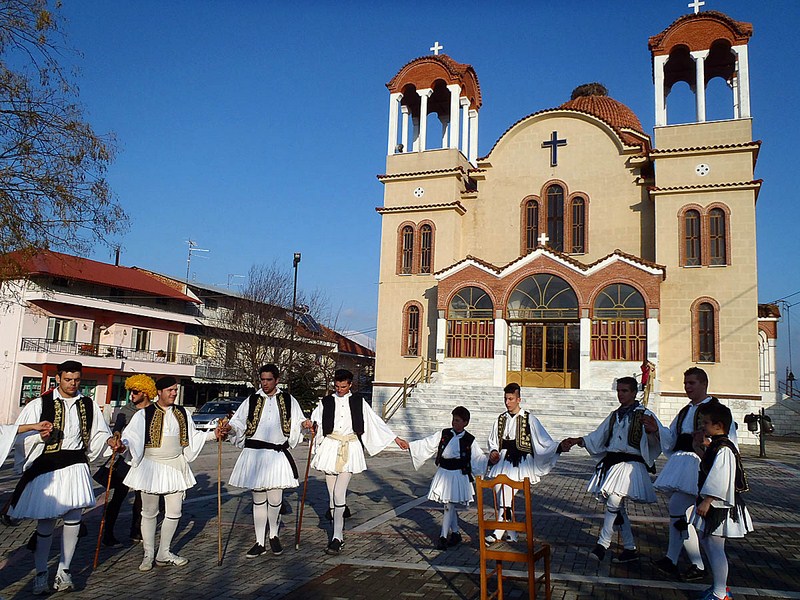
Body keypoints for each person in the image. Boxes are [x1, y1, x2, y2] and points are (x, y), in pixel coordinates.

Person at [7, 360, 123, 595]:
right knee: (47, 520)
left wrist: (110, 442)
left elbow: (99, 433)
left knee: (73, 519)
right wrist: (40, 436)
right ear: (58, 378)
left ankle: (64, 570)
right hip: (48, 465)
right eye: (68, 379)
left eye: (77, 379)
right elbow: (21, 435)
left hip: (76, 465)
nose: (72, 383)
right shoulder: (40, 404)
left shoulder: (88, 404)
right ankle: (41, 572)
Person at [120, 375, 223, 572]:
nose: (174, 393)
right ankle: (148, 553)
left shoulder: (182, 413)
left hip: (176, 465)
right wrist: (120, 446)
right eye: (170, 390)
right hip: (151, 465)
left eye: (175, 390)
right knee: (149, 512)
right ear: (159, 392)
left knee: (175, 511)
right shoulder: (144, 414)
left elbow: (193, 437)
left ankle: (164, 552)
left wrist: (214, 434)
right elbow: (131, 438)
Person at [302, 369, 409, 555]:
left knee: (338, 492)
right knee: (331, 495)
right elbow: (315, 421)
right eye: (336, 386)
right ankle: (336, 516)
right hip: (330, 446)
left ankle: (337, 537)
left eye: (343, 386)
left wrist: (395, 438)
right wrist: (309, 425)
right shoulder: (325, 402)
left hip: (349, 447)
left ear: (350, 384)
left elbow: (375, 422)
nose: (340, 389)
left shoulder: (359, 402)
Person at [650, 367, 738, 582]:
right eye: (686, 383)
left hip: (701, 465)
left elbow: (729, 440)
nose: (687, 387)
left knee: (680, 510)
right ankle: (693, 564)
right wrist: (655, 429)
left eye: (692, 383)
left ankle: (678, 561)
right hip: (684, 464)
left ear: (704, 384)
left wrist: (708, 447)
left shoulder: (716, 411)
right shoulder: (685, 411)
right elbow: (671, 437)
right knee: (681, 512)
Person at [561, 376, 662, 563]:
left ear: (634, 392)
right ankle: (630, 548)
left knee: (614, 501)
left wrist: (653, 432)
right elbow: (598, 436)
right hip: (614, 464)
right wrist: (578, 441)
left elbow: (658, 439)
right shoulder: (615, 415)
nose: (621, 395)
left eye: (625, 391)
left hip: (631, 465)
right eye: (619, 391)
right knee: (617, 507)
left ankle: (602, 544)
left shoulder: (644, 414)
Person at [220, 364, 305, 558]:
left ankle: (273, 535)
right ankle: (259, 541)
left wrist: (306, 425)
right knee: (258, 499)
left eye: (268, 380)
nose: (265, 383)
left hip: (276, 454)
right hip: (254, 453)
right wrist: (229, 429)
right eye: (262, 380)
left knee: (275, 499)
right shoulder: (252, 400)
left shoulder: (288, 400)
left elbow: (298, 422)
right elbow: (238, 423)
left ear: (277, 380)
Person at [484, 382, 562, 545]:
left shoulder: (529, 419)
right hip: (503, 460)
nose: (507, 402)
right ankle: (512, 534)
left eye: (511, 399)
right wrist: (493, 451)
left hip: (519, 463)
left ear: (519, 399)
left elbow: (543, 440)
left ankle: (498, 532)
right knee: (501, 493)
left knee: (505, 496)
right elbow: (493, 440)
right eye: (506, 399)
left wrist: (558, 447)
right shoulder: (500, 419)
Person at [688, 402, 751, 600]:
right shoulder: (717, 445)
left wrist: (707, 500)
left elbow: (720, 477)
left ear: (718, 425)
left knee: (715, 547)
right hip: (715, 502)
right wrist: (698, 447)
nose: (703, 426)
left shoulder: (724, 448)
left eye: (706, 422)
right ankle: (718, 587)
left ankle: (720, 592)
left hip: (718, 504)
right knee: (709, 543)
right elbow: (709, 463)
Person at [406, 406, 487, 550]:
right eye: (453, 419)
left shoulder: (469, 440)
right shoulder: (444, 434)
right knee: (448, 504)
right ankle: (455, 533)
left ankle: (443, 536)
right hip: (444, 472)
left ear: (465, 422)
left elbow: (478, 458)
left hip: (458, 474)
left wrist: (491, 461)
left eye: (457, 420)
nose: (454, 423)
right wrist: (410, 445)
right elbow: (428, 443)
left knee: (449, 505)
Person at [102, 374, 157, 547]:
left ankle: (136, 530)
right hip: (125, 459)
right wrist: (116, 438)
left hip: (145, 460)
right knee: (118, 496)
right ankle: (108, 533)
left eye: (135, 392)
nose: (131, 395)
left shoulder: (154, 411)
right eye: (131, 391)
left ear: (146, 392)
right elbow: (117, 429)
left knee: (141, 498)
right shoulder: (126, 411)